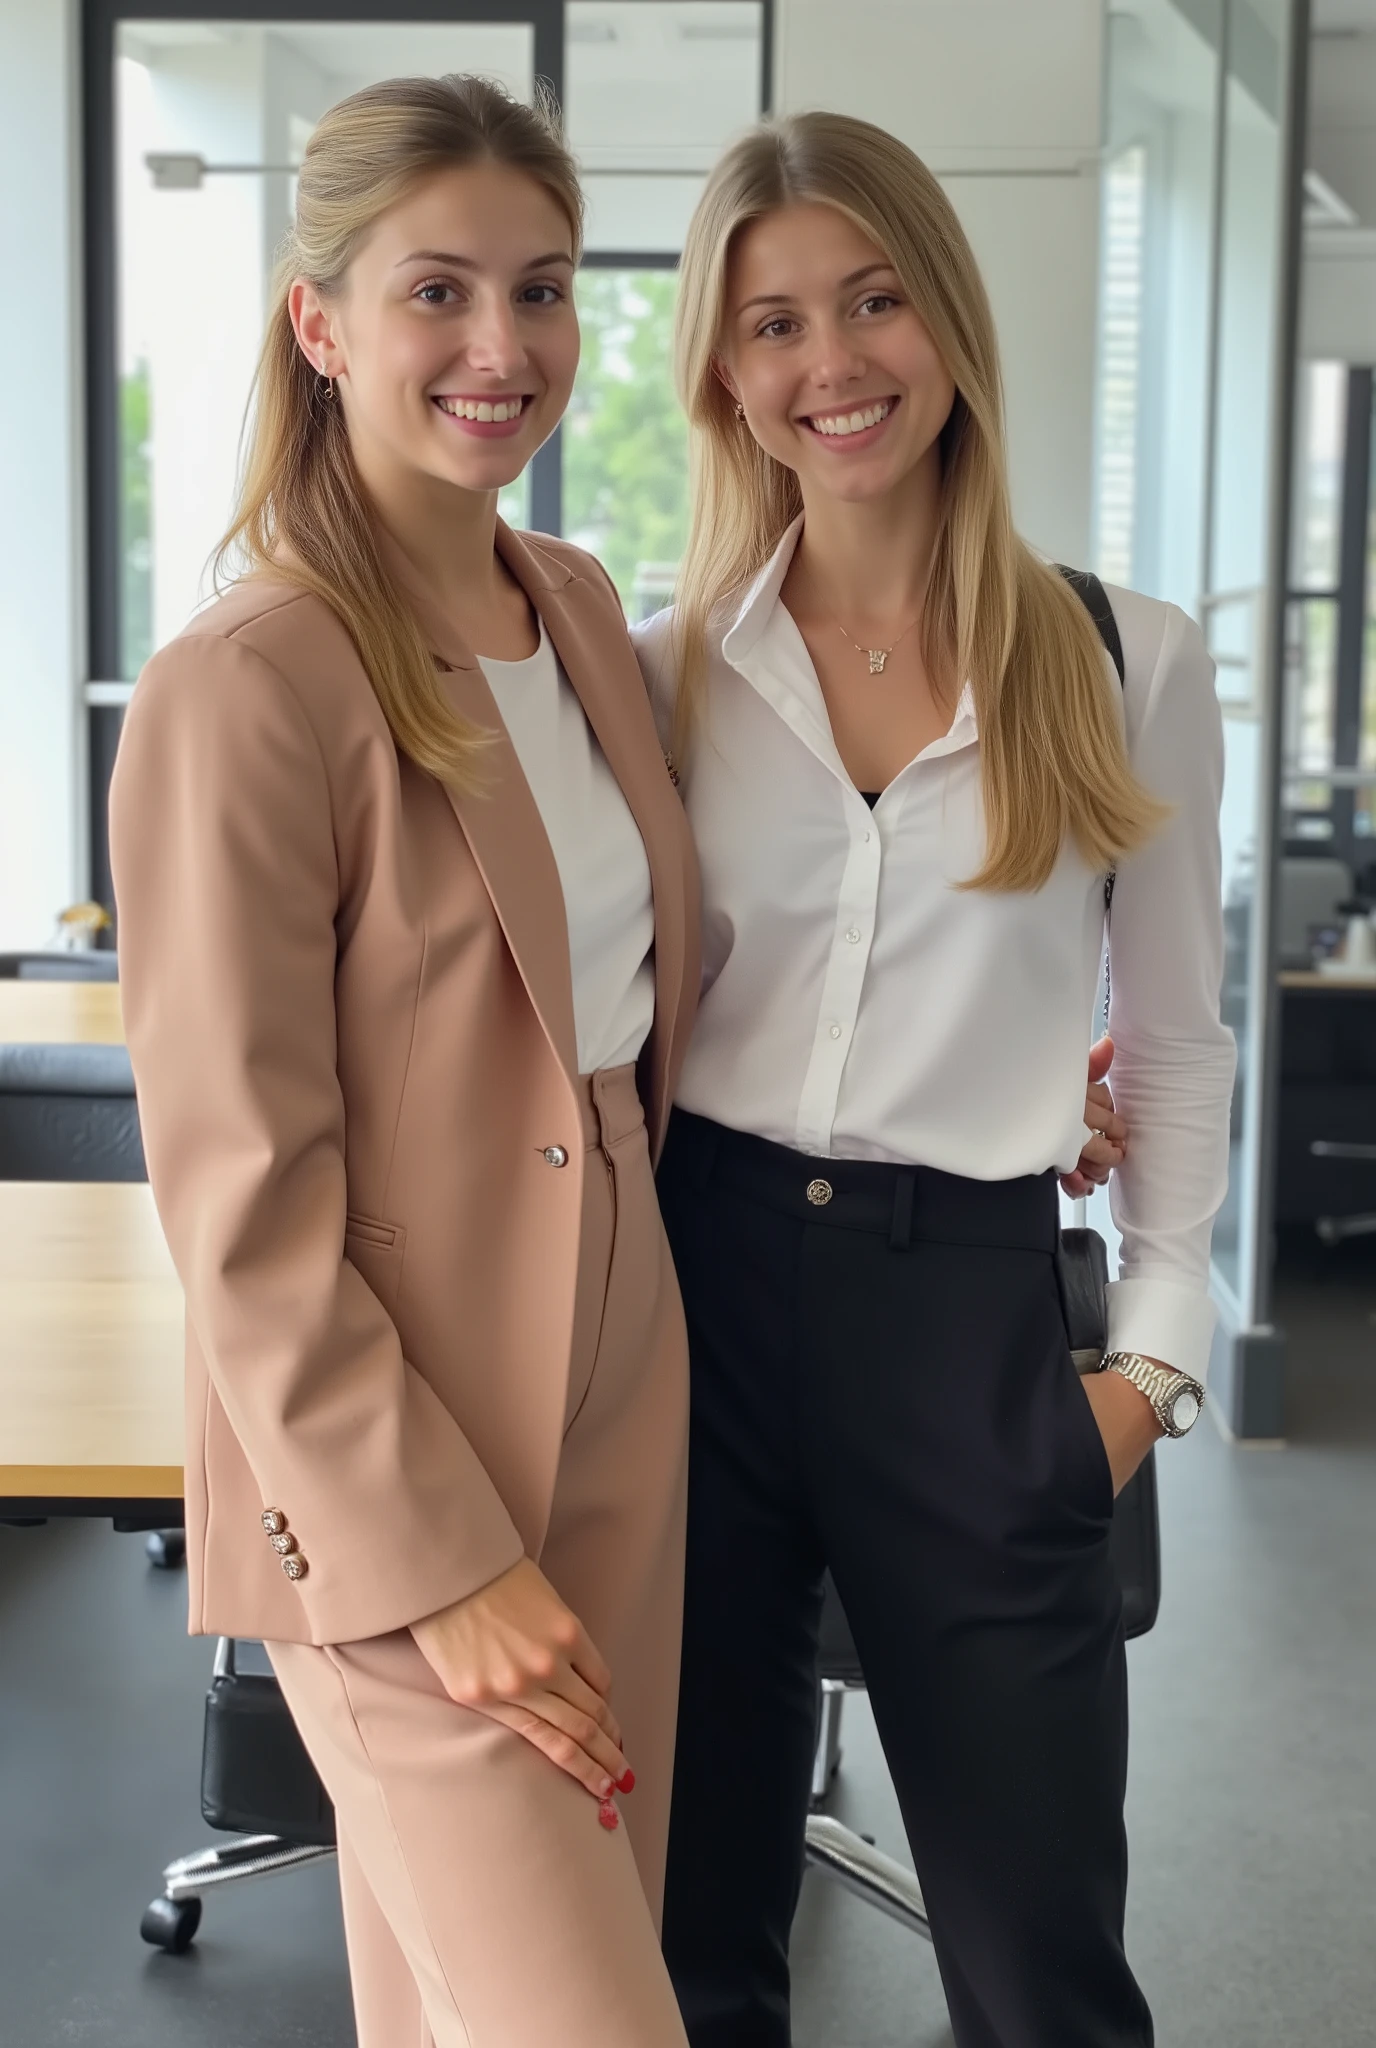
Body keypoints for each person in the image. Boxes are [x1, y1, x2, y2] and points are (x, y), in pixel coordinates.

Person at [109, 75, 700, 2048]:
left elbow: (619, 986)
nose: (501, 348)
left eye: (540, 291)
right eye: (436, 290)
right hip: (394, 1426)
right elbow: (243, 1207)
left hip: (624, 1362)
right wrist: (435, 1564)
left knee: (463, 2001)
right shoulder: (249, 681)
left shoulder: (581, 609)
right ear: (321, 321)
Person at [634, 111, 1236, 2048]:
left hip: (968, 1311)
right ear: (723, 374)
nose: (834, 365)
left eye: (875, 299)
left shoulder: (1117, 655)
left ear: (948, 314)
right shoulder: (659, 672)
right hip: (693, 1292)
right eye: (775, 322)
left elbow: (1172, 1038)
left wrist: (1147, 1363)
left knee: (1038, 1955)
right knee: (684, 1931)